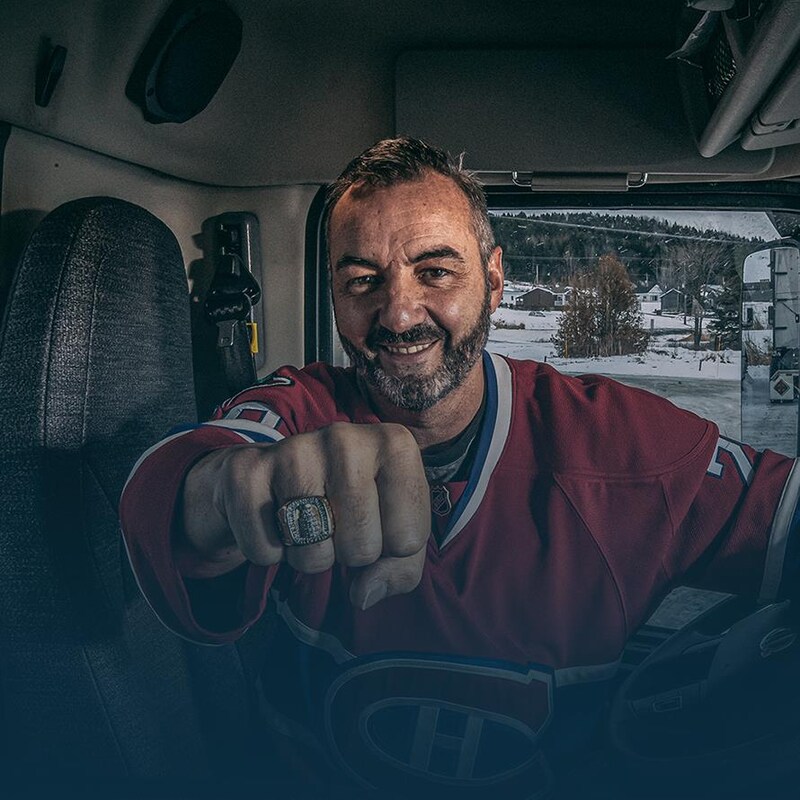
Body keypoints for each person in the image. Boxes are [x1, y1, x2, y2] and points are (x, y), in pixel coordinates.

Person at [120, 136, 799, 799]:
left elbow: (781, 516)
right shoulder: (300, 409)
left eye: (436, 272)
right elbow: (190, 478)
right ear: (333, 293)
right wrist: (238, 494)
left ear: (495, 280)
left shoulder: (621, 443)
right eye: (362, 280)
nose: (399, 313)